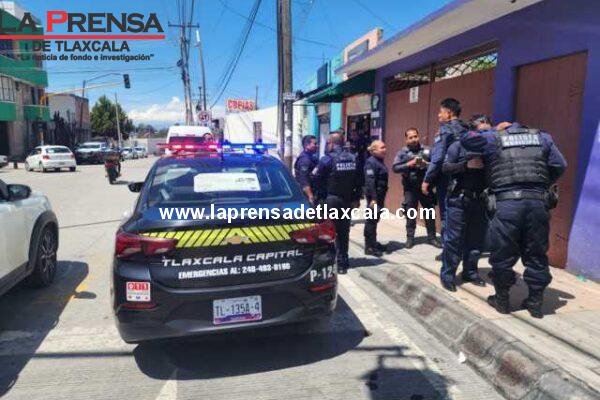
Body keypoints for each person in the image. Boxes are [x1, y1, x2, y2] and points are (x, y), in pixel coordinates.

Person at [461, 123, 567, 318]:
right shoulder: (542, 137)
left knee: (503, 252)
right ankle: (535, 303)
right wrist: (541, 184)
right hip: (537, 202)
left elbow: (466, 139)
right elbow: (560, 165)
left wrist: (491, 130)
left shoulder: (493, 138)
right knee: (536, 253)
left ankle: (502, 300)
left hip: (507, 203)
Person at [422, 98, 469, 260]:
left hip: (447, 179)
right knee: (462, 215)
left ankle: (448, 252)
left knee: (447, 215)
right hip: (466, 177)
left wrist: (427, 180)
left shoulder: (445, 130)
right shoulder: (467, 129)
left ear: (449, 113)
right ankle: (461, 249)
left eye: (441, 112)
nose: (438, 115)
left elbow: (437, 158)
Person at [439, 133, 488, 291]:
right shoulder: (457, 146)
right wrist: (465, 165)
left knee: (476, 240)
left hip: (479, 200)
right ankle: (447, 275)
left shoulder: (487, 147)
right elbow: (445, 168)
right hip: (458, 199)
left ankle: (470, 272)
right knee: (454, 240)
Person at [314, 132, 362, 274]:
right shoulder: (354, 158)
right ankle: (342, 262)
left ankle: (328, 260)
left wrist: (318, 197)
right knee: (343, 231)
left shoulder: (327, 159)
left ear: (331, 143)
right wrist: (356, 198)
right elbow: (360, 180)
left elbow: (315, 178)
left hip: (330, 200)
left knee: (328, 231)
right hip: (347, 200)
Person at [393, 128, 440, 249]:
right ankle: (410, 238)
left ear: (418, 136)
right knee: (411, 213)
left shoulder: (428, 150)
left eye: (415, 136)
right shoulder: (402, 152)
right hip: (410, 188)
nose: (414, 139)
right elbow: (395, 168)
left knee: (429, 212)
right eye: (411, 137)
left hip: (426, 187)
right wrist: (408, 164)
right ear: (406, 139)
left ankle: (432, 237)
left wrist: (426, 164)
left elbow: (436, 166)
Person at [363, 140, 388, 257]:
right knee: (371, 221)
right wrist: (373, 198)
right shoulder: (370, 163)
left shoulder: (379, 161)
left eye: (385, 147)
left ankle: (373, 242)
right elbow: (370, 182)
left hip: (380, 196)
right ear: (374, 151)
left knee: (374, 220)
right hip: (374, 197)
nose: (384, 150)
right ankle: (369, 247)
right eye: (382, 148)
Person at [294, 135, 319, 204]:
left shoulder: (312, 157)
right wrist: (310, 196)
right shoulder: (304, 160)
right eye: (314, 144)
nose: (317, 146)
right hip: (306, 195)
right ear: (307, 145)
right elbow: (304, 179)